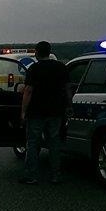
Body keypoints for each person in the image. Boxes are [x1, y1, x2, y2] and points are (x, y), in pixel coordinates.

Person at [19, 40, 69, 185]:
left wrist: (23, 112)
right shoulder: (61, 67)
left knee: (33, 144)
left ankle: (31, 175)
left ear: (37, 52)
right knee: (54, 143)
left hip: (36, 112)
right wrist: (69, 106)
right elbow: (67, 89)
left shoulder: (34, 69)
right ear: (49, 51)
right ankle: (55, 175)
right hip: (56, 112)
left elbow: (28, 91)